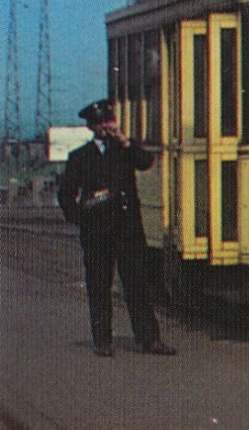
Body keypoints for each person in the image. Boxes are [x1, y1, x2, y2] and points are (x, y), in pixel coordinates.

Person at [57, 100, 175, 357]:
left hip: (127, 229)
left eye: (107, 122)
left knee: (137, 285)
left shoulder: (124, 150)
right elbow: (66, 192)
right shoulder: (80, 156)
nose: (104, 128)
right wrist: (79, 217)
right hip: (96, 230)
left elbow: (145, 162)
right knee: (99, 285)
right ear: (90, 126)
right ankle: (102, 340)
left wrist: (122, 138)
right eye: (99, 124)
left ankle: (149, 339)